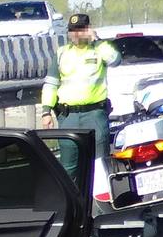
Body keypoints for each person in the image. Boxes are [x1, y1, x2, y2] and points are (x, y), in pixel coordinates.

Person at [39, 12, 119, 178]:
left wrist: (96, 40)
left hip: (95, 114)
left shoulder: (99, 50)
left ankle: (99, 202)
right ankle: (71, 202)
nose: (76, 34)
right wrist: (46, 111)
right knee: (69, 167)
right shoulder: (62, 53)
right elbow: (51, 84)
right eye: (73, 30)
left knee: (100, 165)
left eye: (80, 29)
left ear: (88, 29)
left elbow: (115, 60)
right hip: (68, 116)